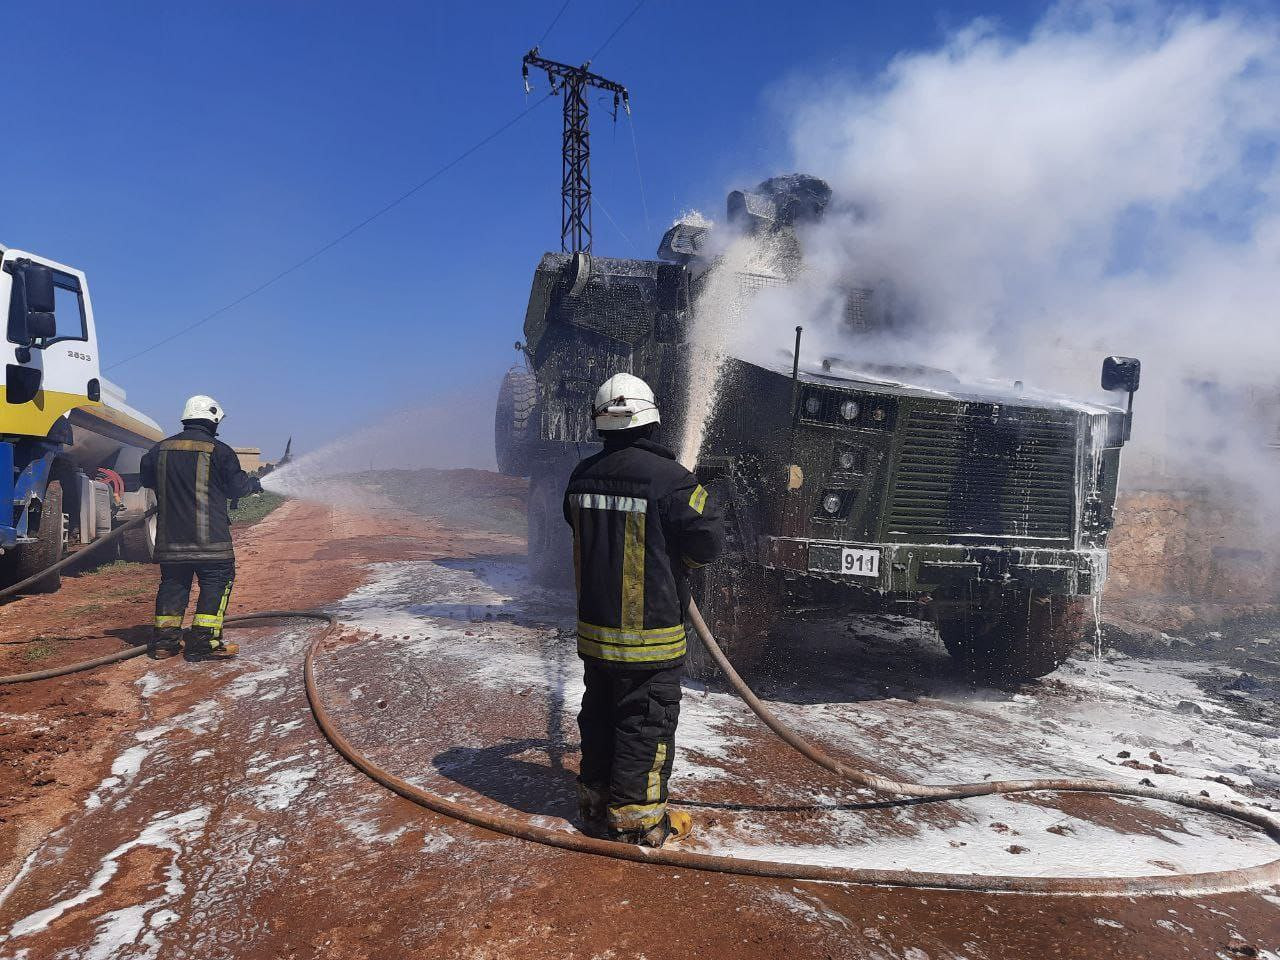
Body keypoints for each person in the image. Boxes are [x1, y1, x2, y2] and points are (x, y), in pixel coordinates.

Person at [564, 373, 724, 846]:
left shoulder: (580, 477)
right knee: (644, 723)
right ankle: (637, 820)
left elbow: (580, 527)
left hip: (595, 633)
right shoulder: (672, 480)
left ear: (601, 424)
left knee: (598, 714)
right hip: (649, 638)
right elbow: (709, 542)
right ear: (651, 422)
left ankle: (595, 801)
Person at [140, 395, 262, 660]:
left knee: (173, 585)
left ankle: (164, 642)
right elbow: (236, 488)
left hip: (171, 539)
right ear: (213, 420)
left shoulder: (157, 451)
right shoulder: (220, 451)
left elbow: (147, 479)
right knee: (216, 584)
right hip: (211, 541)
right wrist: (252, 484)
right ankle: (204, 642)